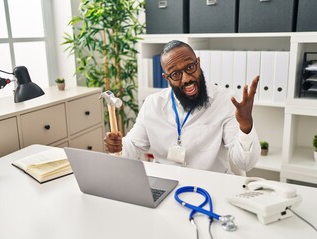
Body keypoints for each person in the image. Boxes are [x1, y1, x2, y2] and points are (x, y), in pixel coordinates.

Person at [104, 40, 260, 174]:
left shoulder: (225, 100)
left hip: (211, 186)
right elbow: (133, 146)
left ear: (198, 63)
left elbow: (245, 164)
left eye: (190, 67)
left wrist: (246, 126)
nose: (186, 78)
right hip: (166, 185)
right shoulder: (152, 104)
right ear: (167, 78)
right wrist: (117, 147)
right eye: (176, 74)